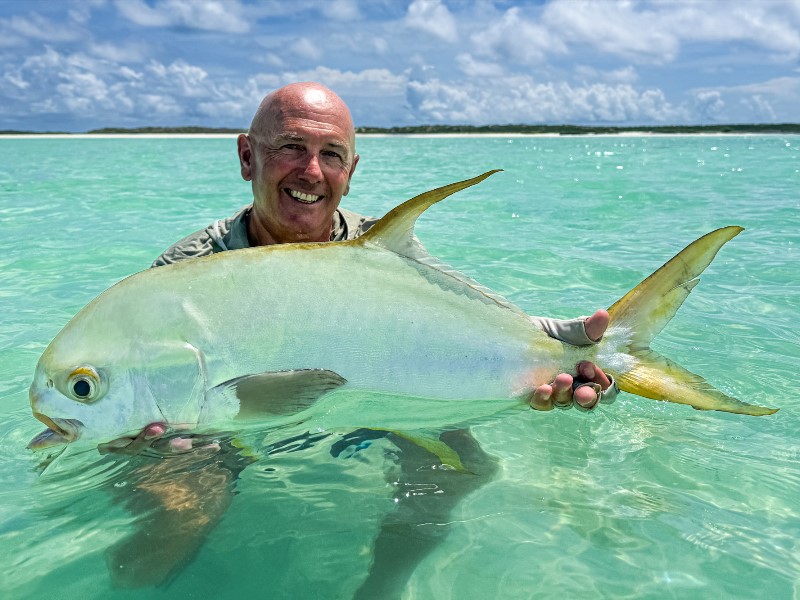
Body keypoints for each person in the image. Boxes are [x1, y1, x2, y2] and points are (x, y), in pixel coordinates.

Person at [107, 82, 617, 591]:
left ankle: (382, 588)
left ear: (350, 173)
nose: (311, 171)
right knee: (172, 504)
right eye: (290, 147)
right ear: (247, 156)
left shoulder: (382, 252)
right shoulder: (185, 275)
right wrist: (128, 434)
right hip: (226, 422)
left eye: (331, 154)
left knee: (465, 467)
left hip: (360, 406)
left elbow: (464, 333)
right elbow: (128, 384)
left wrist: (559, 351)